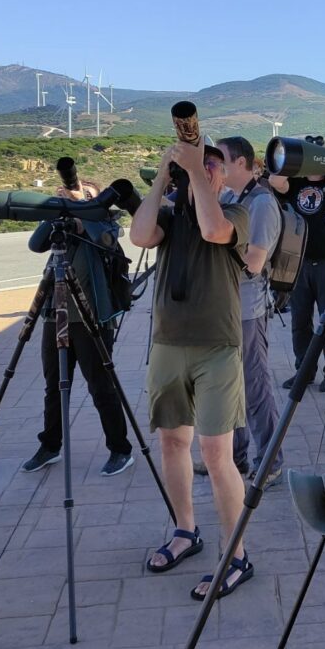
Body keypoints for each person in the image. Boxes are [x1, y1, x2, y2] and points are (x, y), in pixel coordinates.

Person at [130, 136, 254, 601]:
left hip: (217, 347)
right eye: (197, 165)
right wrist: (165, 172)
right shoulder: (167, 216)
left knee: (217, 454)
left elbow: (211, 230)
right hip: (168, 343)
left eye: (212, 164)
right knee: (172, 442)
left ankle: (236, 554)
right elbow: (140, 236)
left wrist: (197, 175)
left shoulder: (234, 214)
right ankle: (186, 530)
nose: (203, 169)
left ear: (222, 175)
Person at [21, 180, 134, 477]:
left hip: (92, 318)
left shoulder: (105, 226)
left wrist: (83, 212)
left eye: (86, 196)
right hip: (55, 316)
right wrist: (58, 212)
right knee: (55, 385)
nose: (77, 198)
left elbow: (108, 243)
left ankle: (120, 449)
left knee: (100, 386)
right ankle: (50, 445)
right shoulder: (62, 227)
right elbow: (35, 244)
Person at [217, 135, 284, 485]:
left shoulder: (261, 203)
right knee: (232, 386)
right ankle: (237, 456)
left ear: (242, 162)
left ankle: (271, 460)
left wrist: (213, 256)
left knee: (255, 386)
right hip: (228, 307)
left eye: (222, 160)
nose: (217, 166)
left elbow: (255, 262)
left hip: (248, 308)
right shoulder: (231, 196)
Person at [269, 144, 325, 392]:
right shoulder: (295, 183)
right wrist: (295, 160)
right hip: (299, 263)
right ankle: (304, 371)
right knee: (300, 321)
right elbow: (275, 179)